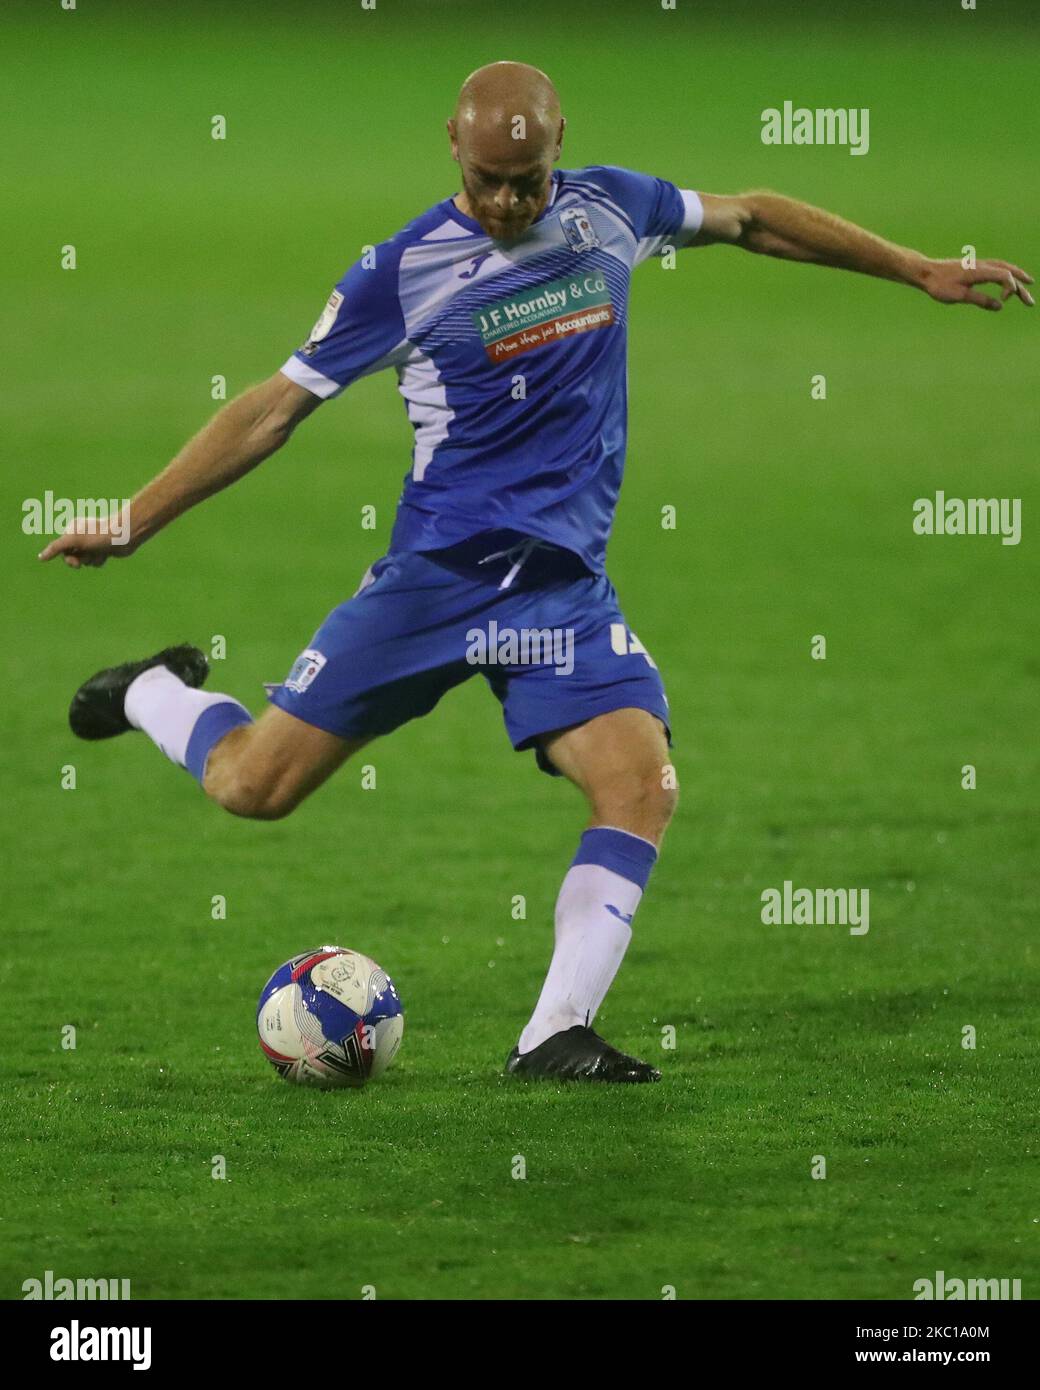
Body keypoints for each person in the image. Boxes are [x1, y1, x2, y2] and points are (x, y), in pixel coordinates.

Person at [41, 62, 1032, 1083]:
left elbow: (748, 218)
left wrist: (915, 267)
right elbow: (271, 408)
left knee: (639, 785)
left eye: (526, 180)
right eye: (485, 183)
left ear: (560, 142)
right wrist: (136, 519)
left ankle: (552, 1030)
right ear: (451, 149)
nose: (507, 203)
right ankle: (154, 691)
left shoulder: (612, 206)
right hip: (438, 580)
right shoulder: (401, 272)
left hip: (559, 591)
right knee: (254, 787)